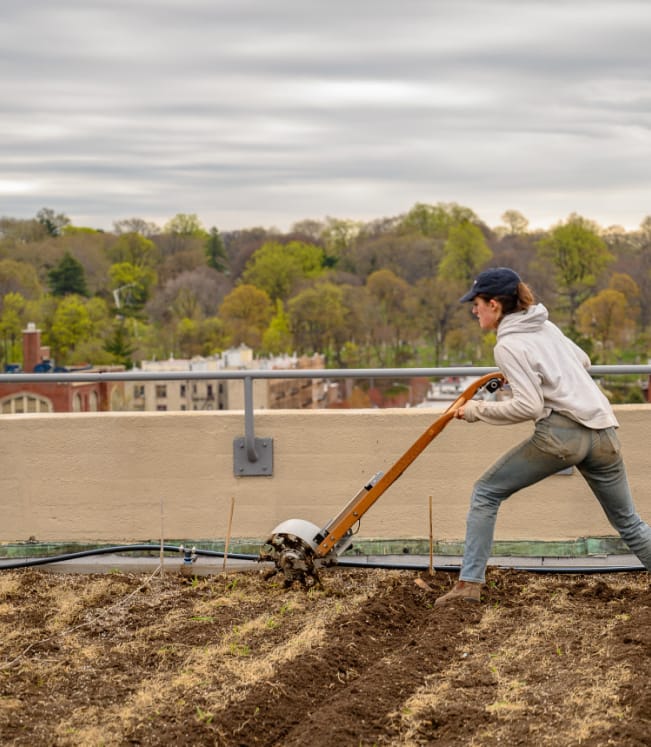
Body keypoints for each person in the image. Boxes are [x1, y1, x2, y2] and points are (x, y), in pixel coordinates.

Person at [433, 266, 651, 606]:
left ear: (494, 304)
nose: (473, 310)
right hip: (604, 432)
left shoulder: (508, 344)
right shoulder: (544, 325)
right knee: (629, 522)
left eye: (476, 303)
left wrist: (476, 411)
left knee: (485, 493)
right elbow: (584, 361)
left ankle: (468, 586)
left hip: (563, 436)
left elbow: (529, 407)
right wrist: (532, 375)